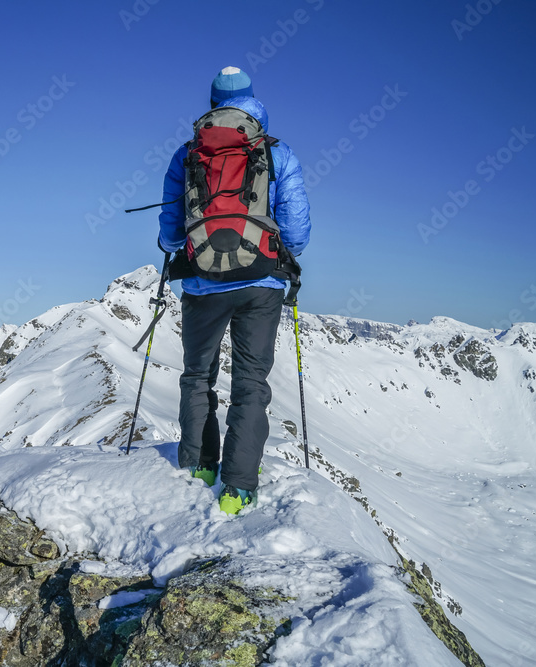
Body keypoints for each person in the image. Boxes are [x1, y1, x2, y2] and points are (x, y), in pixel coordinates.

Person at [158, 66, 311, 514]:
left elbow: (170, 232)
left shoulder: (188, 153)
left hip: (203, 282)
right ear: (252, 101)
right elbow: (297, 231)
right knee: (250, 383)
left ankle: (199, 466)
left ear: (212, 103)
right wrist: (274, 251)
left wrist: (188, 246)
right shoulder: (276, 152)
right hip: (261, 281)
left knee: (196, 375)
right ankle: (238, 488)